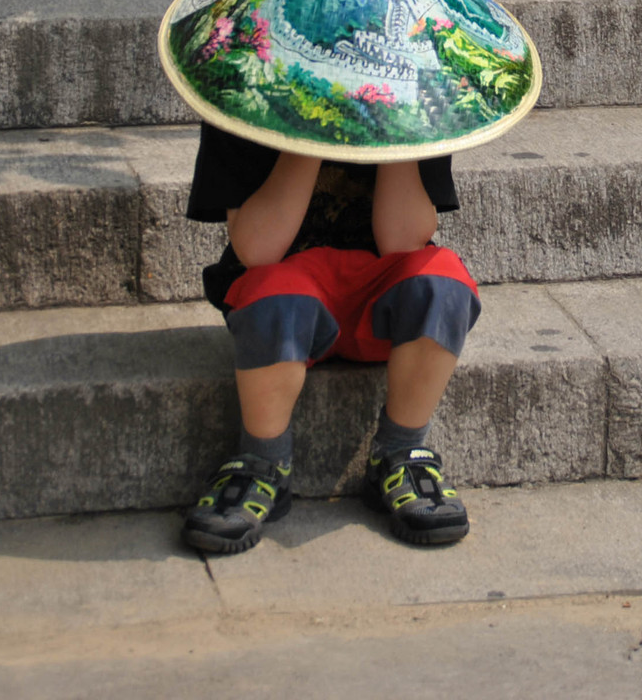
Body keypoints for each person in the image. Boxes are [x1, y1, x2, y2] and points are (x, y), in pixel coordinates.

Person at [179, 122, 480, 554]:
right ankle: (263, 462)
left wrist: (395, 121)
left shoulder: (420, 98)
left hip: (379, 298)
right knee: (274, 295)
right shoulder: (240, 96)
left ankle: (400, 453)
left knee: (445, 280)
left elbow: (403, 242)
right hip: (289, 291)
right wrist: (309, 125)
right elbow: (257, 250)